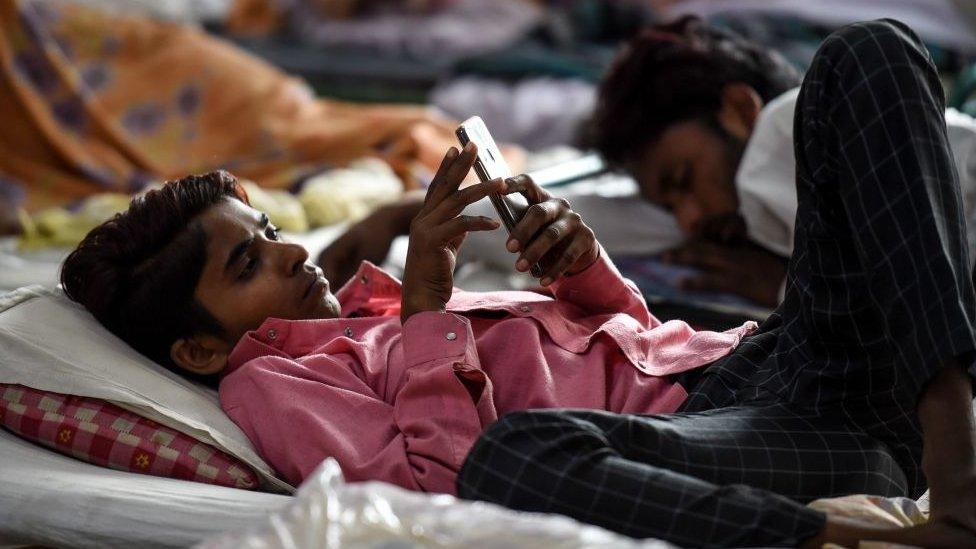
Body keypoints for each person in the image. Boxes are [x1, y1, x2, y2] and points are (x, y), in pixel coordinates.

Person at [455, 19, 976, 548]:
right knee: (511, 454)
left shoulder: (780, 132)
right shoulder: (729, 226)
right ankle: (849, 529)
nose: (690, 218)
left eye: (683, 181)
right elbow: (598, 217)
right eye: (670, 204)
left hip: (844, 385)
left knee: (867, 48)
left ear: (737, 110)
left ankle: (959, 469)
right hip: (792, 428)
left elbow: (917, 212)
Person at [59, 148, 754, 494]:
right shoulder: (274, 385)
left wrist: (581, 267)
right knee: (849, 79)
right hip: (707, 414)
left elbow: (639, 343)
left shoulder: (365, 313)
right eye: (247, 264)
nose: (295, 249)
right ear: (202, 349)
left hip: (720, 358)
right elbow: (438, 487)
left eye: (270, 228)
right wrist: (426, 314)